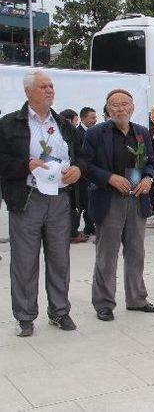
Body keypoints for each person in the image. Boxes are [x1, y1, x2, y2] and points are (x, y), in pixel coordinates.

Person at [0, 70, 86, 337]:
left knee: (60, 259)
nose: (49, 90)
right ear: (28, 92)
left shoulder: (64, 124)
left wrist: (78, 170)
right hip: (27, 199)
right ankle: (25, 317)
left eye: (51, 86)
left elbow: (82, 156)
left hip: (60, 200)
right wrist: (25, 165)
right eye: (43, 86)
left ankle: (59, 312)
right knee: (25, 262)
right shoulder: (9, 124)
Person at [83, 89, 154, 322]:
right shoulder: (96, 134)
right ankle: (104, 304)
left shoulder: (142, 132)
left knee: (136, 252)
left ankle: (137, 299)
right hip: (109, 198)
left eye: (125, 104)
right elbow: (85, 165)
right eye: (114, 105)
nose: (120, 108)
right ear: (107, 109)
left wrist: (149, 178)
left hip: (137, 198)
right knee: (107, 255)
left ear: (132, 107)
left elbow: (150, 162)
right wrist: (109, 177)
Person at [59, 108, 89, 244]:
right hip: (69, 178)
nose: (76, 123)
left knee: (75, 204)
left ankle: (72, 231)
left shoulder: (69, 133)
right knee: (73, 205)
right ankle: (72, 232)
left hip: (75, 174)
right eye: (75, 120)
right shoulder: (68, 134)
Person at [75, 107, 98, 237]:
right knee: (84, 201)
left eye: (95, 117)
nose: (95, 120)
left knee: (90, 200)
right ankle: (85, 227)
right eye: (92, 118)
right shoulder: (78, 133)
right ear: (83, 118)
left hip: (92, 173)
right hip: (82, 175)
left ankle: (90, 226)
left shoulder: (94, 132)